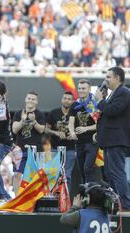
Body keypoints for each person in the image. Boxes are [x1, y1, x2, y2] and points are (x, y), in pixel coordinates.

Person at [95, 67, 130, 211]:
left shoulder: (124, 92)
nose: (106, 80)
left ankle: (126, 205)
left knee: (116, 172)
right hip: (109, 140)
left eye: (108, 77)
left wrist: (101, 101)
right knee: (110, 173)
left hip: (117, 140)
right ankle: (118, 202)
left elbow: (113, 111)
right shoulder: (112, 93)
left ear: (117, 78)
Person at [12, 91, 46, 193]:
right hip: (19, 149)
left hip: (35, 150)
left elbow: (41, 130)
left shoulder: (40, 114)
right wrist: (22, 121)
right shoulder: (18, 113)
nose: (31, 101)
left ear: (36, 102)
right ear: (25, 99)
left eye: (33, 99)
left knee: (34, 176)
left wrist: (34, 121)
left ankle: (31, 199)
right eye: (29, 98)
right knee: (17, 174)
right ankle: (16, 199)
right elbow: (14, 130)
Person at [68, 79, 98, 183]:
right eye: (79, 88)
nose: (81, 90)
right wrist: (72, 132)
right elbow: (70, 122)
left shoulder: (95, 104)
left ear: (89, 89)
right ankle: (86, 196)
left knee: (87, 169)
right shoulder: (75, 105)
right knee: (82, 171)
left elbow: (99, 125)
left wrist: (86, 128)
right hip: (79, 143)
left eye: (83, 88)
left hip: (92, 142)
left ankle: (91, 194)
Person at [45, 91, 76, 191]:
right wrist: (56, 133)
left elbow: (80, 130)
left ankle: (66, 202)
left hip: (71, 149)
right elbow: (46, 129)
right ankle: (55, 199)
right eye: (65, 98)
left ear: (73, 101)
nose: (67, 101)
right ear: (62, 99)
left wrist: (74, 135)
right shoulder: (54, 112)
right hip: (55, 149)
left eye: (69, 99)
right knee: (54, 175)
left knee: (67, 176)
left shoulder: (76, 114)